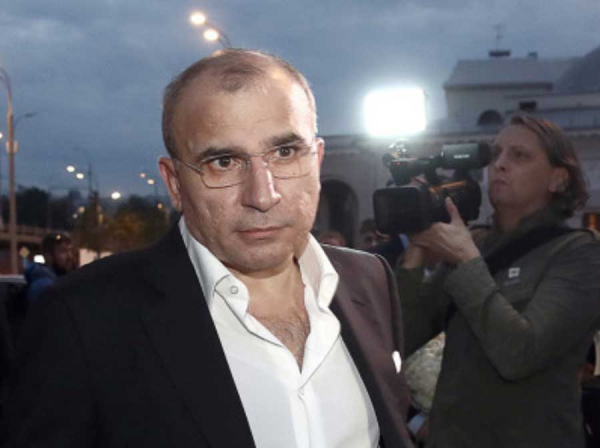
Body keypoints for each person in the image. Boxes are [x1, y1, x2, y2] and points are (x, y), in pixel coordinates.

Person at [1, 49, 413, 448]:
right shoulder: (83, 318)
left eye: (285, 153)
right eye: (224, 162)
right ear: (175, 183)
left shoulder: (370, 280)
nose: (262, 195)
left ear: (317, 160)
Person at [397, 113, 600, 448]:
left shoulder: (579, 253)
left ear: (558, 179)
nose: (499, 164)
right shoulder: (475, 245)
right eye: (496, 154)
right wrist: (416, 252)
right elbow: (401, 339)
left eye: (519, 156)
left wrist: (466, 261)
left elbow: (520, 355)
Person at [23, 232, 75, 305]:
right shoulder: (44, 286)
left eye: (70, 251)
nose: (70, 256)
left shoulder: (59, 280)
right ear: (48, 256)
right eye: (63, 251)